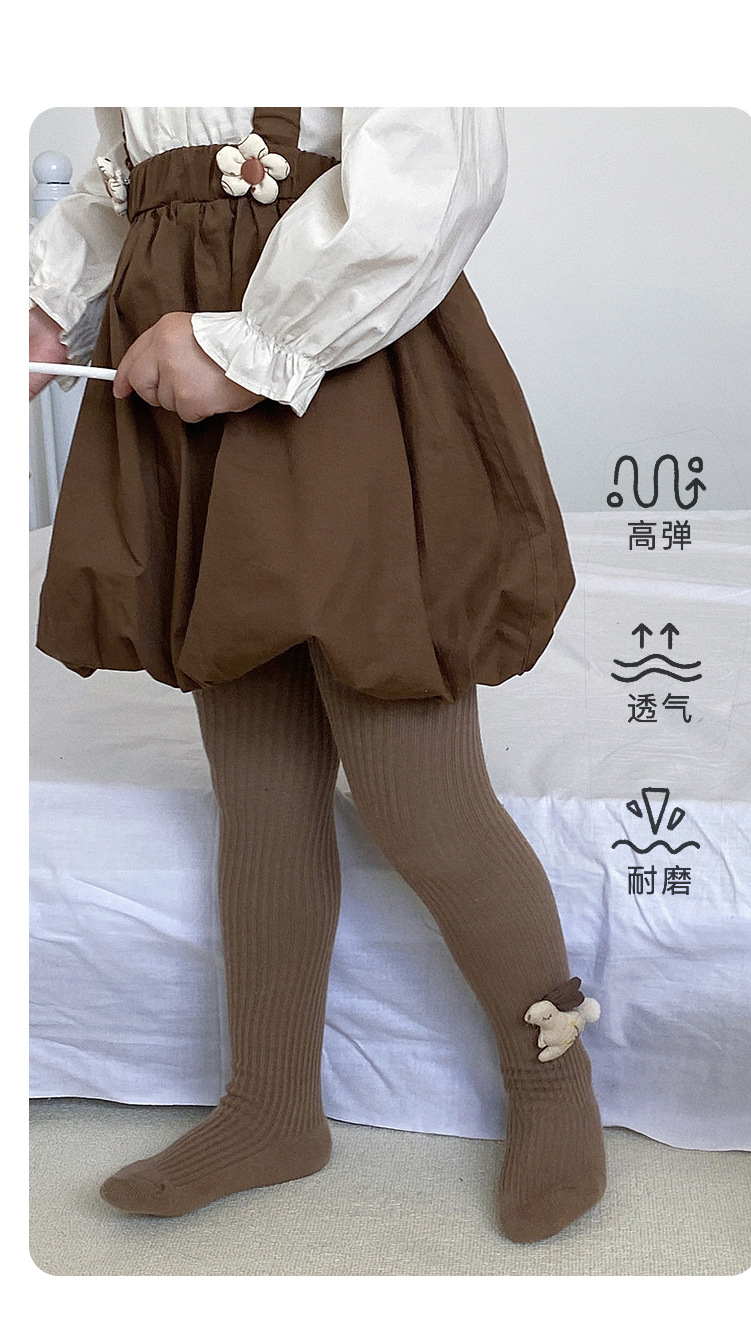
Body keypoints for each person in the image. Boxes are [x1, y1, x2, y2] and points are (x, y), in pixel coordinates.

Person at [29, 107, 606, 1243]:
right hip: (187, 394)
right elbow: (124, 176)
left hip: (337, 369)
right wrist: (48, 299)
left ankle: (550, 1080)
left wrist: (250, 346)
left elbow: (432, 169)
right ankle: (270, 1105)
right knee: (260, 791)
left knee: (420, 796)